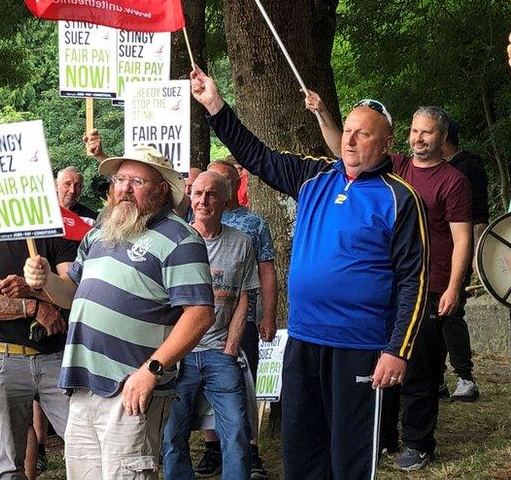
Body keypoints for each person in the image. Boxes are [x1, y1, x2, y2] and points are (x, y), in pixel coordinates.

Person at [193, 68, 428, 479]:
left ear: (387, 143)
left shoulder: (400, 197)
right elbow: (257, 156)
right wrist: (215, 105)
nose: (351, 139)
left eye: (364, 134)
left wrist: (398, 349)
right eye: (349, 130)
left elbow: (414, 280)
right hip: (304, 339)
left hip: (361, 345)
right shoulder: (314, 176)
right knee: (301, 449)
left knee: (350, 456)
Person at [24, 146, 215, 479]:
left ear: (161, 190)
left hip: (132, 390)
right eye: (120, 179)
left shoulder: (181, 240)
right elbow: (70, 294)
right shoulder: (100, 231)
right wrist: (44, 281)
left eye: (136, 181)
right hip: (84, 384)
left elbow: (199, 314)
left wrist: (152, 369)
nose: (124, 188)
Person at [311, 97, 472, 470]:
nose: (419, 138)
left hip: (429, 286)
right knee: (381, 366)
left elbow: (463, 238)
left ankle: (418, 442)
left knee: (420, 368)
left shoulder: (453, 181)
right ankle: (383, 437)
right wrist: (322, 114)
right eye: (414, 130)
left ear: (441, 137)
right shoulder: (396, 167)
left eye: (427, 132)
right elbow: (344, 147)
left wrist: (452, 287)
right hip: (387, 288)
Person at [0, 223, 77, 479]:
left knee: (81, 438)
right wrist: (31, 306)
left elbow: (74, 292)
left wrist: (35, 287)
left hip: (55, 358)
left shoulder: (58, 234)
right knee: (9, 452)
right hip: (4, 358)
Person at [163, 171, 256, 480]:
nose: (203, 201)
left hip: (220, 353)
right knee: (172, 432)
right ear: (190, 196)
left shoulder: (241, 243)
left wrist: (231, 347)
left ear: (226, 200)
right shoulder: (175, 241)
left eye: (211, 195)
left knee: (237, 430)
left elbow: (244, 297)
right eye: (198, 193)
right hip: (179, 354)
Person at [193, 160, 278, 479]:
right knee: (204, 387)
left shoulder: (252, 224)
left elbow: (266, 271)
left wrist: (267, 313)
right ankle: (213, 448)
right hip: (200, 323)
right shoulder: (194, 218)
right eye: (202, 188)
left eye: (219, 184)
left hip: (240, 317)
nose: (207, 196)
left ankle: (250, 451)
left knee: (241, 384)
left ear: (231, 188)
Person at [441, 119, 488, 401]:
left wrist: (478, 254)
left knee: (451, 312)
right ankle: (436, 379)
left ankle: (465, 378)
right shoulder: (430, 168)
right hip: (433, 255)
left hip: (459, 250)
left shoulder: (468, 166)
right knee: (432, 315)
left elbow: (479, 212)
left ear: (443, 136)